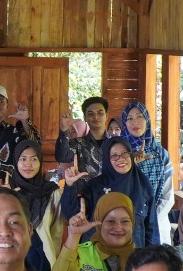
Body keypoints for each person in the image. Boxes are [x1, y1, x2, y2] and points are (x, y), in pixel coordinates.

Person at [65, 139, 158, 248]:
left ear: (131, 155)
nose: (121, 159)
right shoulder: (95, 186)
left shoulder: (143, 185)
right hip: (97, 253)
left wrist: (154, 254)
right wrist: (70, 185)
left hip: (133, 253)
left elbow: (151, 227)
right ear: (107, 160)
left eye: (125, 153)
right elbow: (71, 213)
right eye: (114, 156)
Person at [54, 193, 136, 271]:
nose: (118, 227)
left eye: (125, 221)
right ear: (99, 223)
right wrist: (74, 236)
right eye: (110, 221)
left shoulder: (142, 260)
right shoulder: (80, 253)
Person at [112, 102, 173, 245]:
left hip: (157, 222)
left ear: (147, 120)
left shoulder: (161, 154)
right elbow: (112, 186)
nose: (135, 122)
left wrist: (150, 218)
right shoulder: (117, 153)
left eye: (140, 117)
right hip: (124, 222)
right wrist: (131, 165)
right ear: (124, 124)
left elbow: (167, 195)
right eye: (130, 118)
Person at [7, 140, 65, 264]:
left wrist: (54, 264)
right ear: (16, 161)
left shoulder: (51, 192)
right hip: (11, 258)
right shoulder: (7, 191)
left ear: (40, 161)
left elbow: (57, 232)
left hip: (43, 260)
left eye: (34, 159)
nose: (28, 164)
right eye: (23, 159)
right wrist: (5, 199)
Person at [0, 84, 38, 167]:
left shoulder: (15, 132)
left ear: (7, 105)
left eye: (1, 101)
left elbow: (35, 148)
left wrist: (25, 121)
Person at [55, 96, 114, 178]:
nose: (96, 117)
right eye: (90, 114)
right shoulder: (77, 143)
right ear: (85, 118)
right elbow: (62, 157)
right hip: (86, 186)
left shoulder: (115, 142)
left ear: (106, 116)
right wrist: (64, 130)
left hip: (112, 186)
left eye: (100, 113)